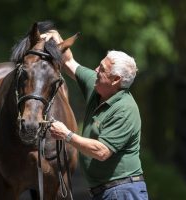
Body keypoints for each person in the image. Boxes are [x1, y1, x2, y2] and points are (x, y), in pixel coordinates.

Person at [42, 31, 149, 200]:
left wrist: (67, 135)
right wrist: (58, 40)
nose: (96, 70)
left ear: (115, 80)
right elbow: (69, 62)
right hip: (106, 191)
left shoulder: (125, 109)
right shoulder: (98, 85)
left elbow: (102, 151)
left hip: (123, 191)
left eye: (102, 69)